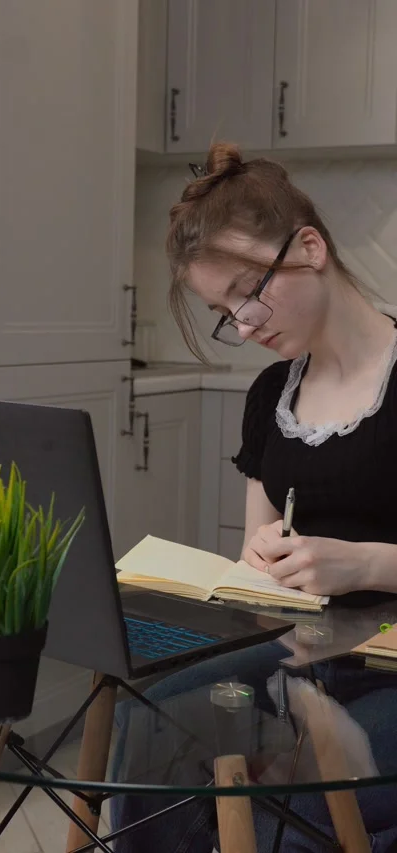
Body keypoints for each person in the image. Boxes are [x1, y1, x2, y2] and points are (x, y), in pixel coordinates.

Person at [111, 142, 397, 852]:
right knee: (152, 713)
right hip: (297, 657)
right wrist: (259, 561)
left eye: (249, 291)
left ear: (310, 246)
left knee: (306, 792)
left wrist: (362, 565)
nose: (242, 325)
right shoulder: (272, 395)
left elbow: (358, 568)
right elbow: (251, 564)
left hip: (385, 670)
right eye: (223, 309)